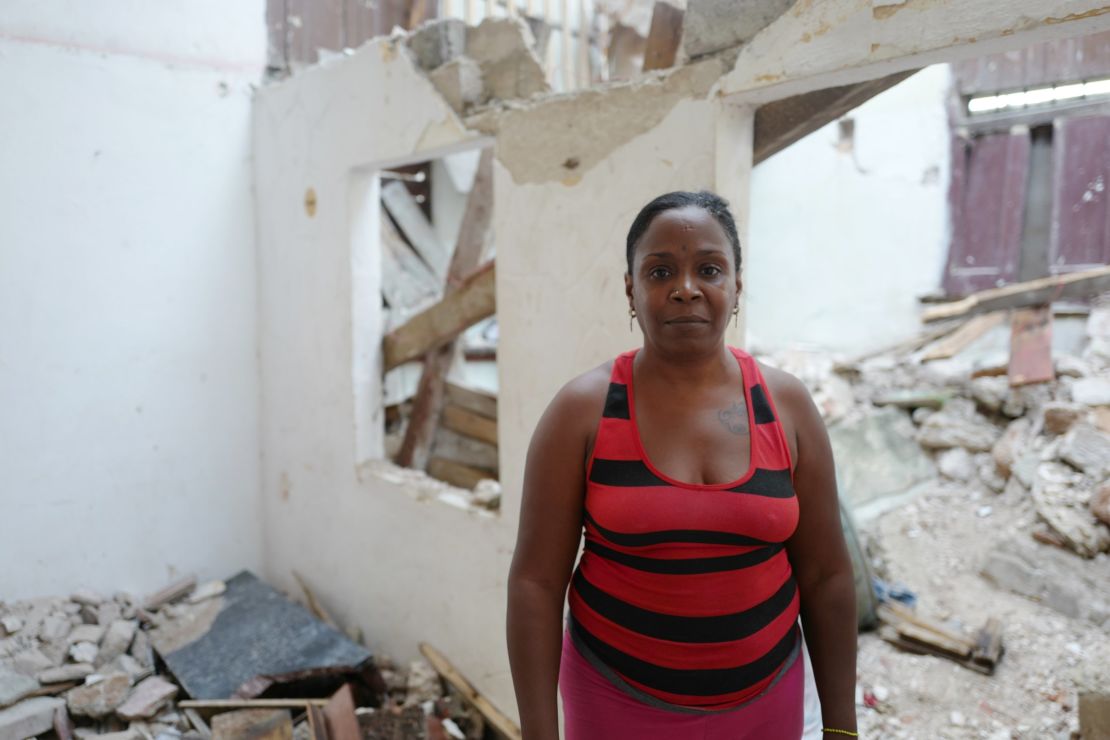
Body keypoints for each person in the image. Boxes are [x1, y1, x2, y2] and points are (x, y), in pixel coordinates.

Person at [506, 191, 858, 739]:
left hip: (765, 703)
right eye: (660, 270)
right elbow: (535, 583)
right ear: (631, 290)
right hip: (615, 702)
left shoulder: (786, 407)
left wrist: (842, 728)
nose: (686, 288)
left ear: (736, 288)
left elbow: (827, 576)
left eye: (710, 270)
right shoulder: (582, 411)